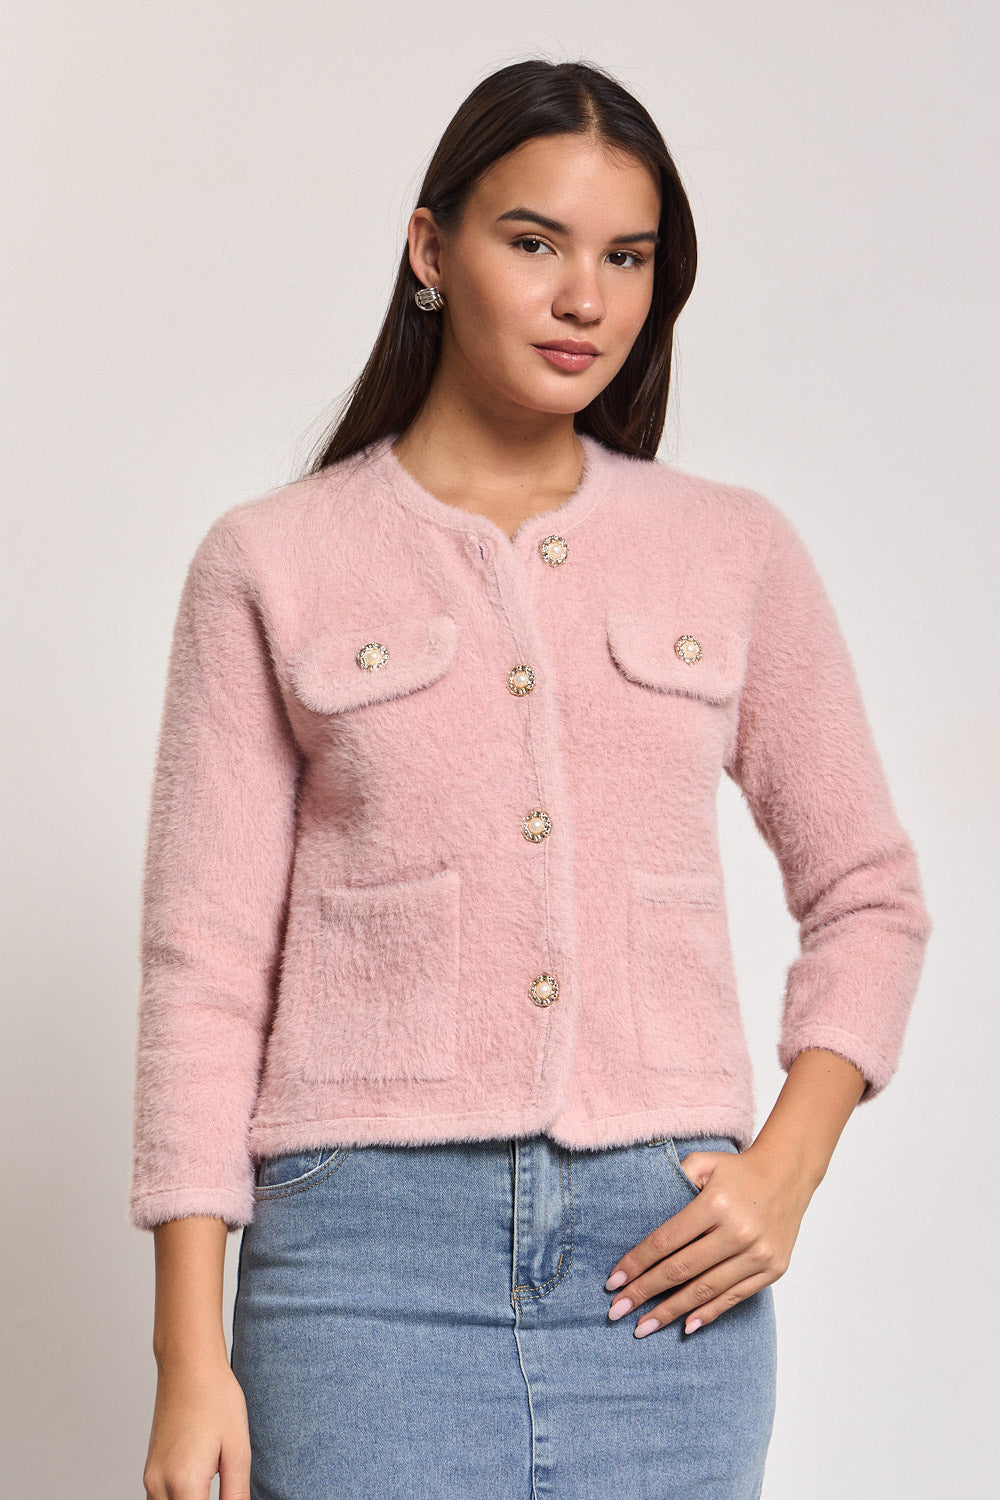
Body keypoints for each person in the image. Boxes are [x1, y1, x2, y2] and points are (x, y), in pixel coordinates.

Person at [130, 57, 932, 1500]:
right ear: (431, 250)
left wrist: (788, 1169)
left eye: (627, 258)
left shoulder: (732, 548)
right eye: (535, 241)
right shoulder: (271, 562)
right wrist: (189, 1359)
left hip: (665, 1272)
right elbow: (205, 970)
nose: (584, 300)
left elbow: (870, 893)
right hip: (360, 1277)